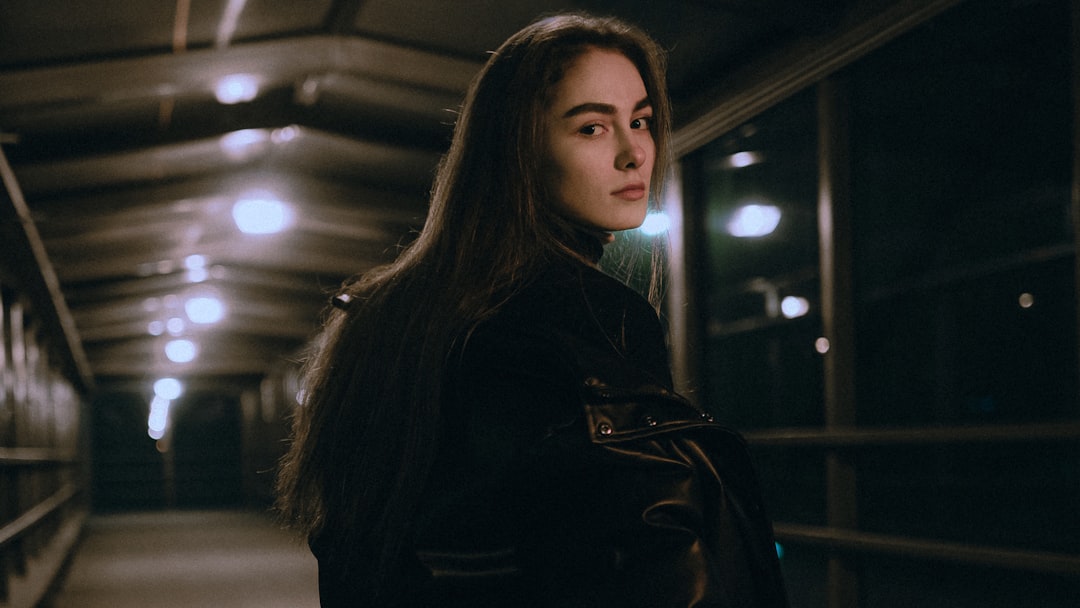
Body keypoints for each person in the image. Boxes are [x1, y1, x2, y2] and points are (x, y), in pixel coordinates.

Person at [276, 12, 788, 608]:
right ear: (518, 149)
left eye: (641, 121)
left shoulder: (387, 312)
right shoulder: (594, 313)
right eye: (592, 128)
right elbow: (639, 556)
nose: (634, 154)